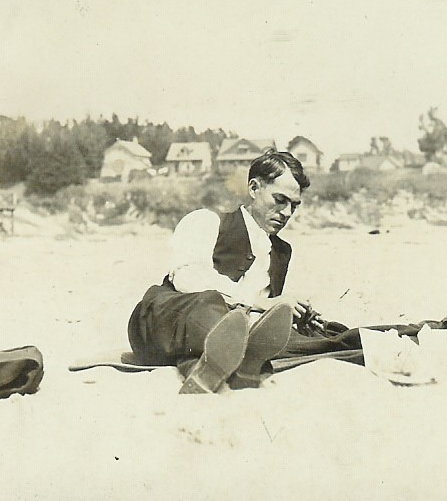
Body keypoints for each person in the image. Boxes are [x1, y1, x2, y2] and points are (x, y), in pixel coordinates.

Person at [127, 151, 314, 394]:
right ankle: (239, 360)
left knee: (320, 334)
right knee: (211, 305)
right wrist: (260, 304)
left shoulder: (281, 252)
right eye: (280, 200)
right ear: (254, 188)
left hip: (226, 334)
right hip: (165, 322)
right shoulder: (207, 221)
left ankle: (210, 368)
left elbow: (265, 316)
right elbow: (187, 278)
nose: (287, 213)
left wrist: (294, 313)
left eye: (294, 205)